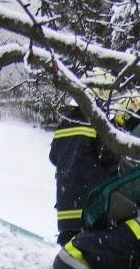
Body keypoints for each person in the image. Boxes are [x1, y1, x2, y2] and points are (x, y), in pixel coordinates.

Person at [49, 68, 120, 245]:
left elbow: (53, 156)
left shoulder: (66, 122)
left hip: (66, 212)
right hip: (91, 210)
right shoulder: (99, 123)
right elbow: (111, 162)